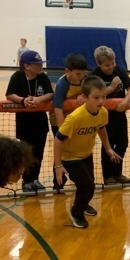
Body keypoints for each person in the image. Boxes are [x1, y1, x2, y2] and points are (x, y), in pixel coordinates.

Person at [54, 76, 122, 228]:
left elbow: (102, 128)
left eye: (103, 97)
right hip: (70, 158)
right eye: (96, 97)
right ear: (85, 98)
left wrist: (108, 148)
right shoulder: (75, 118)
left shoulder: (103, 112)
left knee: (86, 186)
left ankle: (82, 205)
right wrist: (58, 166)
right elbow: (58, 140)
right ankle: (76, 212)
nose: (100, 101)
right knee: (88, 187)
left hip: (86, 155)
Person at [5, 50, 54, 194]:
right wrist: (22, 100)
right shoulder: (17, 77)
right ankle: (27, 181)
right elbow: (9, 94)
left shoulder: (42, 77)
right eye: (37, 64)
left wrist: (39, 99)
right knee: (26, 153)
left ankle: (35, 179)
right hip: (24, 123)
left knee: (39, 152)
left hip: (40, 122)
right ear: (27, 66)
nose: (40, 67)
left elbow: (50, 93)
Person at [90, 46, 130, 185]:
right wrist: (111, 87)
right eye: (107, 65)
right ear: (99, 64)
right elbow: (96, 95)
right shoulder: (95, 76)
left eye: (112, 63)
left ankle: (118, 173)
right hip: (104, 116)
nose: (111, 67)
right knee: (107, 145)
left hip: (120, 115)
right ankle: (108, 176)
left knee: (123, 143)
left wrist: (125, 102)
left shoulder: (119, 71)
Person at [52, 52, 90, 190]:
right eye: (78, 74)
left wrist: (83, 94)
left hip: (78, 121)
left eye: (83, 73)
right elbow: (57, 109)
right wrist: (63, 130)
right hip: (61, 121)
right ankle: (58, 183)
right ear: (67, 71)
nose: (82, 77)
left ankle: (79, 180)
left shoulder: (86, 79)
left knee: (77, 150)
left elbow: (94, 91)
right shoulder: (62, 84)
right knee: (61, 151)